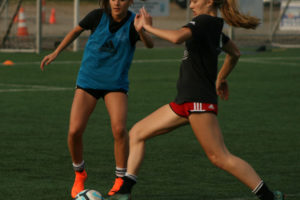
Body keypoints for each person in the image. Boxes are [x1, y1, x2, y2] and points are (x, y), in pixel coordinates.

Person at [109, 0, 284, 200]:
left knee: (220, 157)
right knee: (138, 132)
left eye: (194, 1)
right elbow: (234, 53)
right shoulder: (213, 26)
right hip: (184, 101)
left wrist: (148, 27)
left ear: (209, 1)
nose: (191, 5)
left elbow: (176, 38)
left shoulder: (203, 21)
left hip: (198, 101)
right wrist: (221, 77)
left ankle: (268, 196)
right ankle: (124, 193)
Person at [40, 0, 153, 198]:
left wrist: (142, 29)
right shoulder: (97, 16)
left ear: (131, 1)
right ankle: (79, 174)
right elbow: (76, 31)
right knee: (74, 131)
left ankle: (119, 179)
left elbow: (149, 44)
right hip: (88, 81)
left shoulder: (134, 22)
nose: (117, 2)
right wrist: (57, 51)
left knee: (119, 129)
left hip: (115, 84)